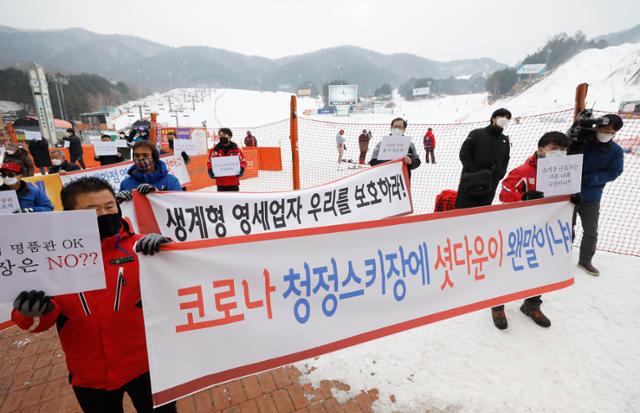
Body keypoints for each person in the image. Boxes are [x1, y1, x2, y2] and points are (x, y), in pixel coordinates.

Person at [10, 177, 177, 413]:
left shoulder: (141, 249)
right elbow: (35, 324)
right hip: (90, 375)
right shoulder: (49, 259)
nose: (105, 214)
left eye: (110, 207)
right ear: (69, 214)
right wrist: (32, 311)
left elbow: (177, 287)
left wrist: (168, 252)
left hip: (149, 366)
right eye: (92, 210)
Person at [493, 131, 580, 330]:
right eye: (554, 149)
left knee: (541, 268)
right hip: (520, 231)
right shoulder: (524, 171)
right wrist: (524, 197)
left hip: (545, 233)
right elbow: (504, 194)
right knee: (508, 267)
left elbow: (564, 199)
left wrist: (574, 199)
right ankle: (497, 303)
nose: (560, 153)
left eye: (564, 149)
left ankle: (531, 305)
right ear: (541, 149)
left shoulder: (567, 172)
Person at [569, 113, 624, 276]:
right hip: (568, 193)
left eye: (610, 131)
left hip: (591, 196)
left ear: (615, 133)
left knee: (591, 231)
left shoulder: (616, 151)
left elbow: (614, 171)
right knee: (565, 228)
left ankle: (585, 260)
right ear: (597, 127)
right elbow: (564, 148)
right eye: (603, 129)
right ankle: (560, 257)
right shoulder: (582, 141)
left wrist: (590, 179)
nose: (606, 133)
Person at [455, 108, 512, 209]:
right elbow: (464, 153)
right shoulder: (476, 134)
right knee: (464, 212)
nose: (505, 119)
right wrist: (472, 170)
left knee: (483, 212)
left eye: (507, 118)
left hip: (490, 184)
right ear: (493, 119)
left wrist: (500, 173)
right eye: (502, 116)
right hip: (471, 181)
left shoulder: (504, 140)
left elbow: (505, 159)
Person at [116, 141, 182, 203]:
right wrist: (119, 201)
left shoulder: (171, 181)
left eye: (145, 155)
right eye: (137, 155)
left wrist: (157, 193)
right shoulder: (125, 184)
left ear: (154, 157)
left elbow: (179, 204)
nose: (140, 158)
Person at [207, 128, 247, 192]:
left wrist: (241, 169)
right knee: (222, 201)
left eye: (224, 135)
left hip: (233, 182)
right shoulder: (214, 150)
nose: (222, 137)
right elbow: (209, 162)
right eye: (220, 135)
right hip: (220, 183)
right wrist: (210, 170)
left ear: (230, 137)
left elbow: (243, 161)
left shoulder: (236, 150)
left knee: (234, 201)